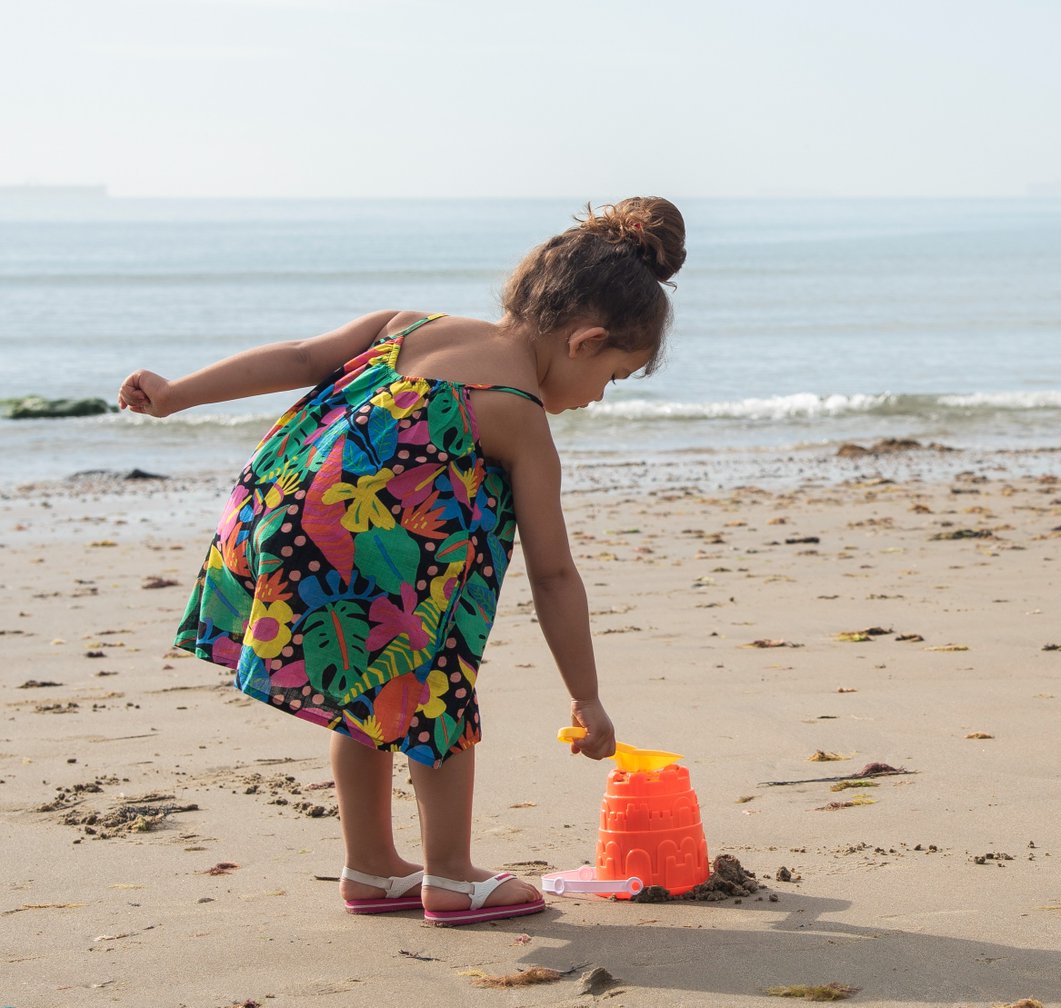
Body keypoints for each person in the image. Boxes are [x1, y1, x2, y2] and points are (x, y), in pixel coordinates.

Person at [117, 197, 686, 926]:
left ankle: (373, 866)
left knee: (367, 693)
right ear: (586, 341)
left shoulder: (410, 325)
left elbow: (298, 357)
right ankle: (450, 875)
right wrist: (587, 696)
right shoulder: (515, 410)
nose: (599, 397)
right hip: (378, 547)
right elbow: (553, 574)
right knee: (435, 690)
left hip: (281, 513)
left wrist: (176, 395)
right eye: (615, 377)